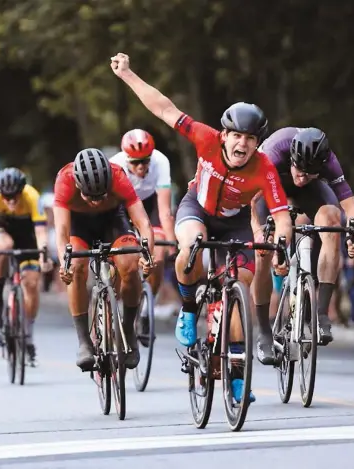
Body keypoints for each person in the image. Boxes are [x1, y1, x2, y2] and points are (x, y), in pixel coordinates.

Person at [111, 52, 292, 403]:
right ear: (224, 135)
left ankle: (237, 375)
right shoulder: (206, 139)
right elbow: (163, 108)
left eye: (250, 139)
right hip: (198, 208)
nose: (242, 144)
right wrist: (129, 75)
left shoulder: (265, 168)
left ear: (257, 143)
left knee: (240, 284)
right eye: (236, 136)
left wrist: (282, 243)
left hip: (235, 222)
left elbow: (281, 214)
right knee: (191, 247)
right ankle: (190, 308)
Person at [255, 127, 354, 345]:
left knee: (332, 222)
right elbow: (251, 199)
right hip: (270, 188)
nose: (302, 177)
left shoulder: (328, 161)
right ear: (292, 158)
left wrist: (353, 237)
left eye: (309, 173)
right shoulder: (274, 152)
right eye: (299, 170)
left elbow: (353, 209)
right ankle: (264, 331)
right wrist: (263, 234)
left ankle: (321, 313)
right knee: (263, 252)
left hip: (310, 194)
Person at [53, 148, 155, 371]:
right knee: (76, 267)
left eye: (101, 195)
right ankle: (84, 341)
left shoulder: (119, 176)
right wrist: (64, 262)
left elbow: (143, 223)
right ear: (78, 185)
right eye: (90, 196)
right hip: (80, 225)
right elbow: (61, 231)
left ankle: (128, 330)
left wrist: (147, 256)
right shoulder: (65, 179)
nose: (96, 201)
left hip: (113, 222)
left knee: (129, 263)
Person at [0, 168, 51, 366]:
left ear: (22, 191)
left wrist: (44, 256)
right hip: (2, 232)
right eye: (7, 198)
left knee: (31, 283)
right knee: (4, 247)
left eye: (15, 197)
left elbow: (41, 232)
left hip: (27, 236)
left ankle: (27, 333)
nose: (11, 202)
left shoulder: (32, 196)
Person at [111, 129, 176, 304]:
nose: (141, 166)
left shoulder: (161, 161)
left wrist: (172, 245)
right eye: (135, 162)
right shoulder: (115, 165)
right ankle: (117, 301)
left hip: (149, 205)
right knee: (122, 260)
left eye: (145, 161)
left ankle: (148, 304)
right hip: (123, 207)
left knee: (159, 254)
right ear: (126, 159)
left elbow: (164, 210)